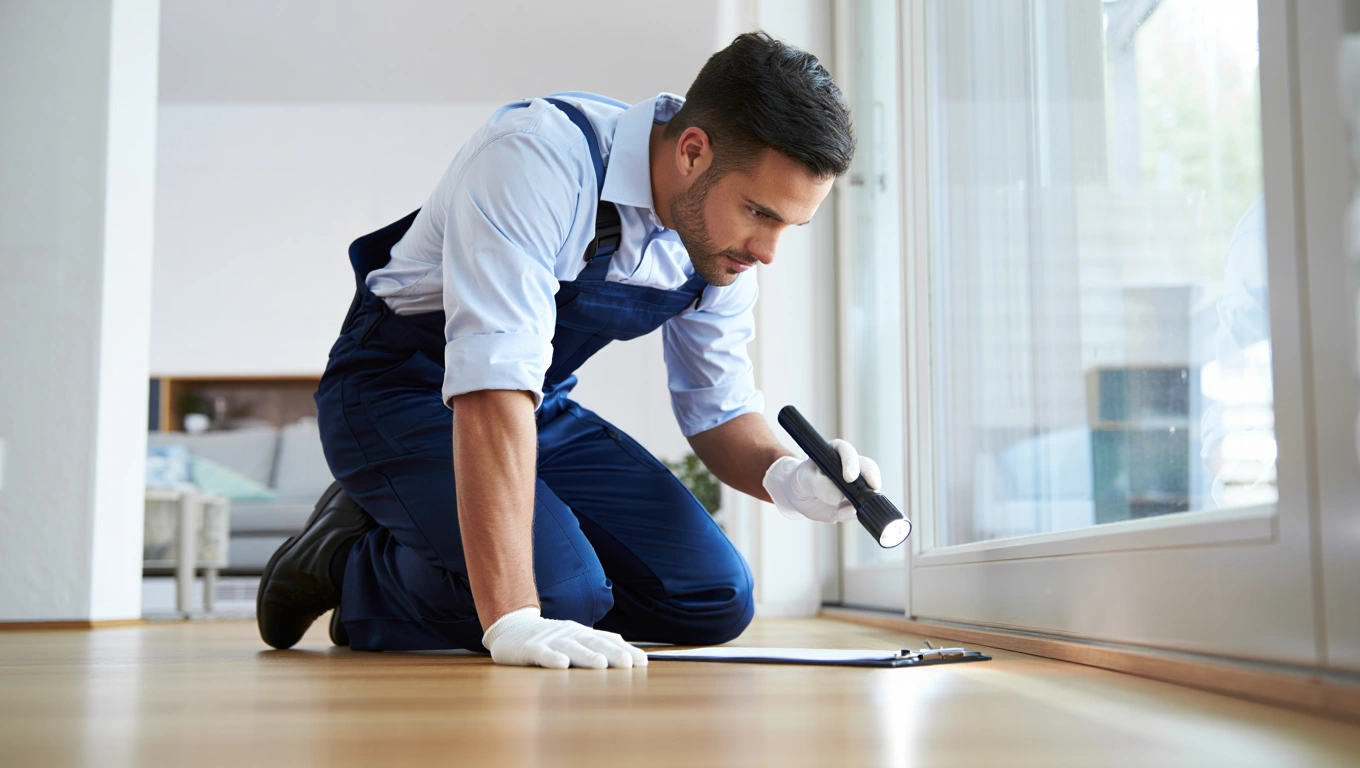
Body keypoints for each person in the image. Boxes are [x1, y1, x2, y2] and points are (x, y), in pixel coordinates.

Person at [256, 31, 882, 669]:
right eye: (759, 213)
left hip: (534, 407)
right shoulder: (537, 159)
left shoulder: (719, 248)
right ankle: (348, 564)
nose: (768, 251)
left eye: (788, 226)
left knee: (712, 597)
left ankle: (445, 544)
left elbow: (718, 410)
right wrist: (514, 618)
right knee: (558, 595)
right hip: (394, 392)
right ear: (693, 151)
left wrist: (789, 477)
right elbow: (492, 380)